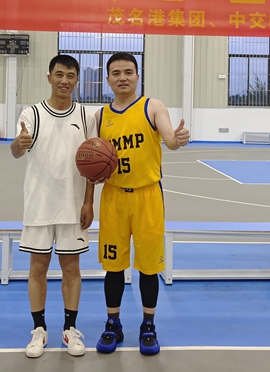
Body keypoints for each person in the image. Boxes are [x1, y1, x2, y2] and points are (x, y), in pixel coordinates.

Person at [94, 51, 189, 355]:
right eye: (116, 73)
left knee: (148, 268)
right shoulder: (100, 117)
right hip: (113, 197)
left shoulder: (152, 107)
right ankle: (113, 324)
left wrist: (177, 139)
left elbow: (169, 140)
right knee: (113, 267)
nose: (122, 77)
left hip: (148, 196)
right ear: (108, 79)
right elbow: (91, 158)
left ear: (137, 76)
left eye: (128, 72)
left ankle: (148, 325)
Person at [10, 54, 97, 358]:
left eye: (70, 75)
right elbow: (16, 151)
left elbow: (93, 163)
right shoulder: (32, 113)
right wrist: (18, 144)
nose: (64, 81)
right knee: (38, 267)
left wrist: (89, 202)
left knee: (71, 268)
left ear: (76, 80)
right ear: (49, 77)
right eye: (59, 74)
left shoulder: (86, 116)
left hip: (73, 206)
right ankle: (39, 329)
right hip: (39, 204)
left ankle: (70, 329)